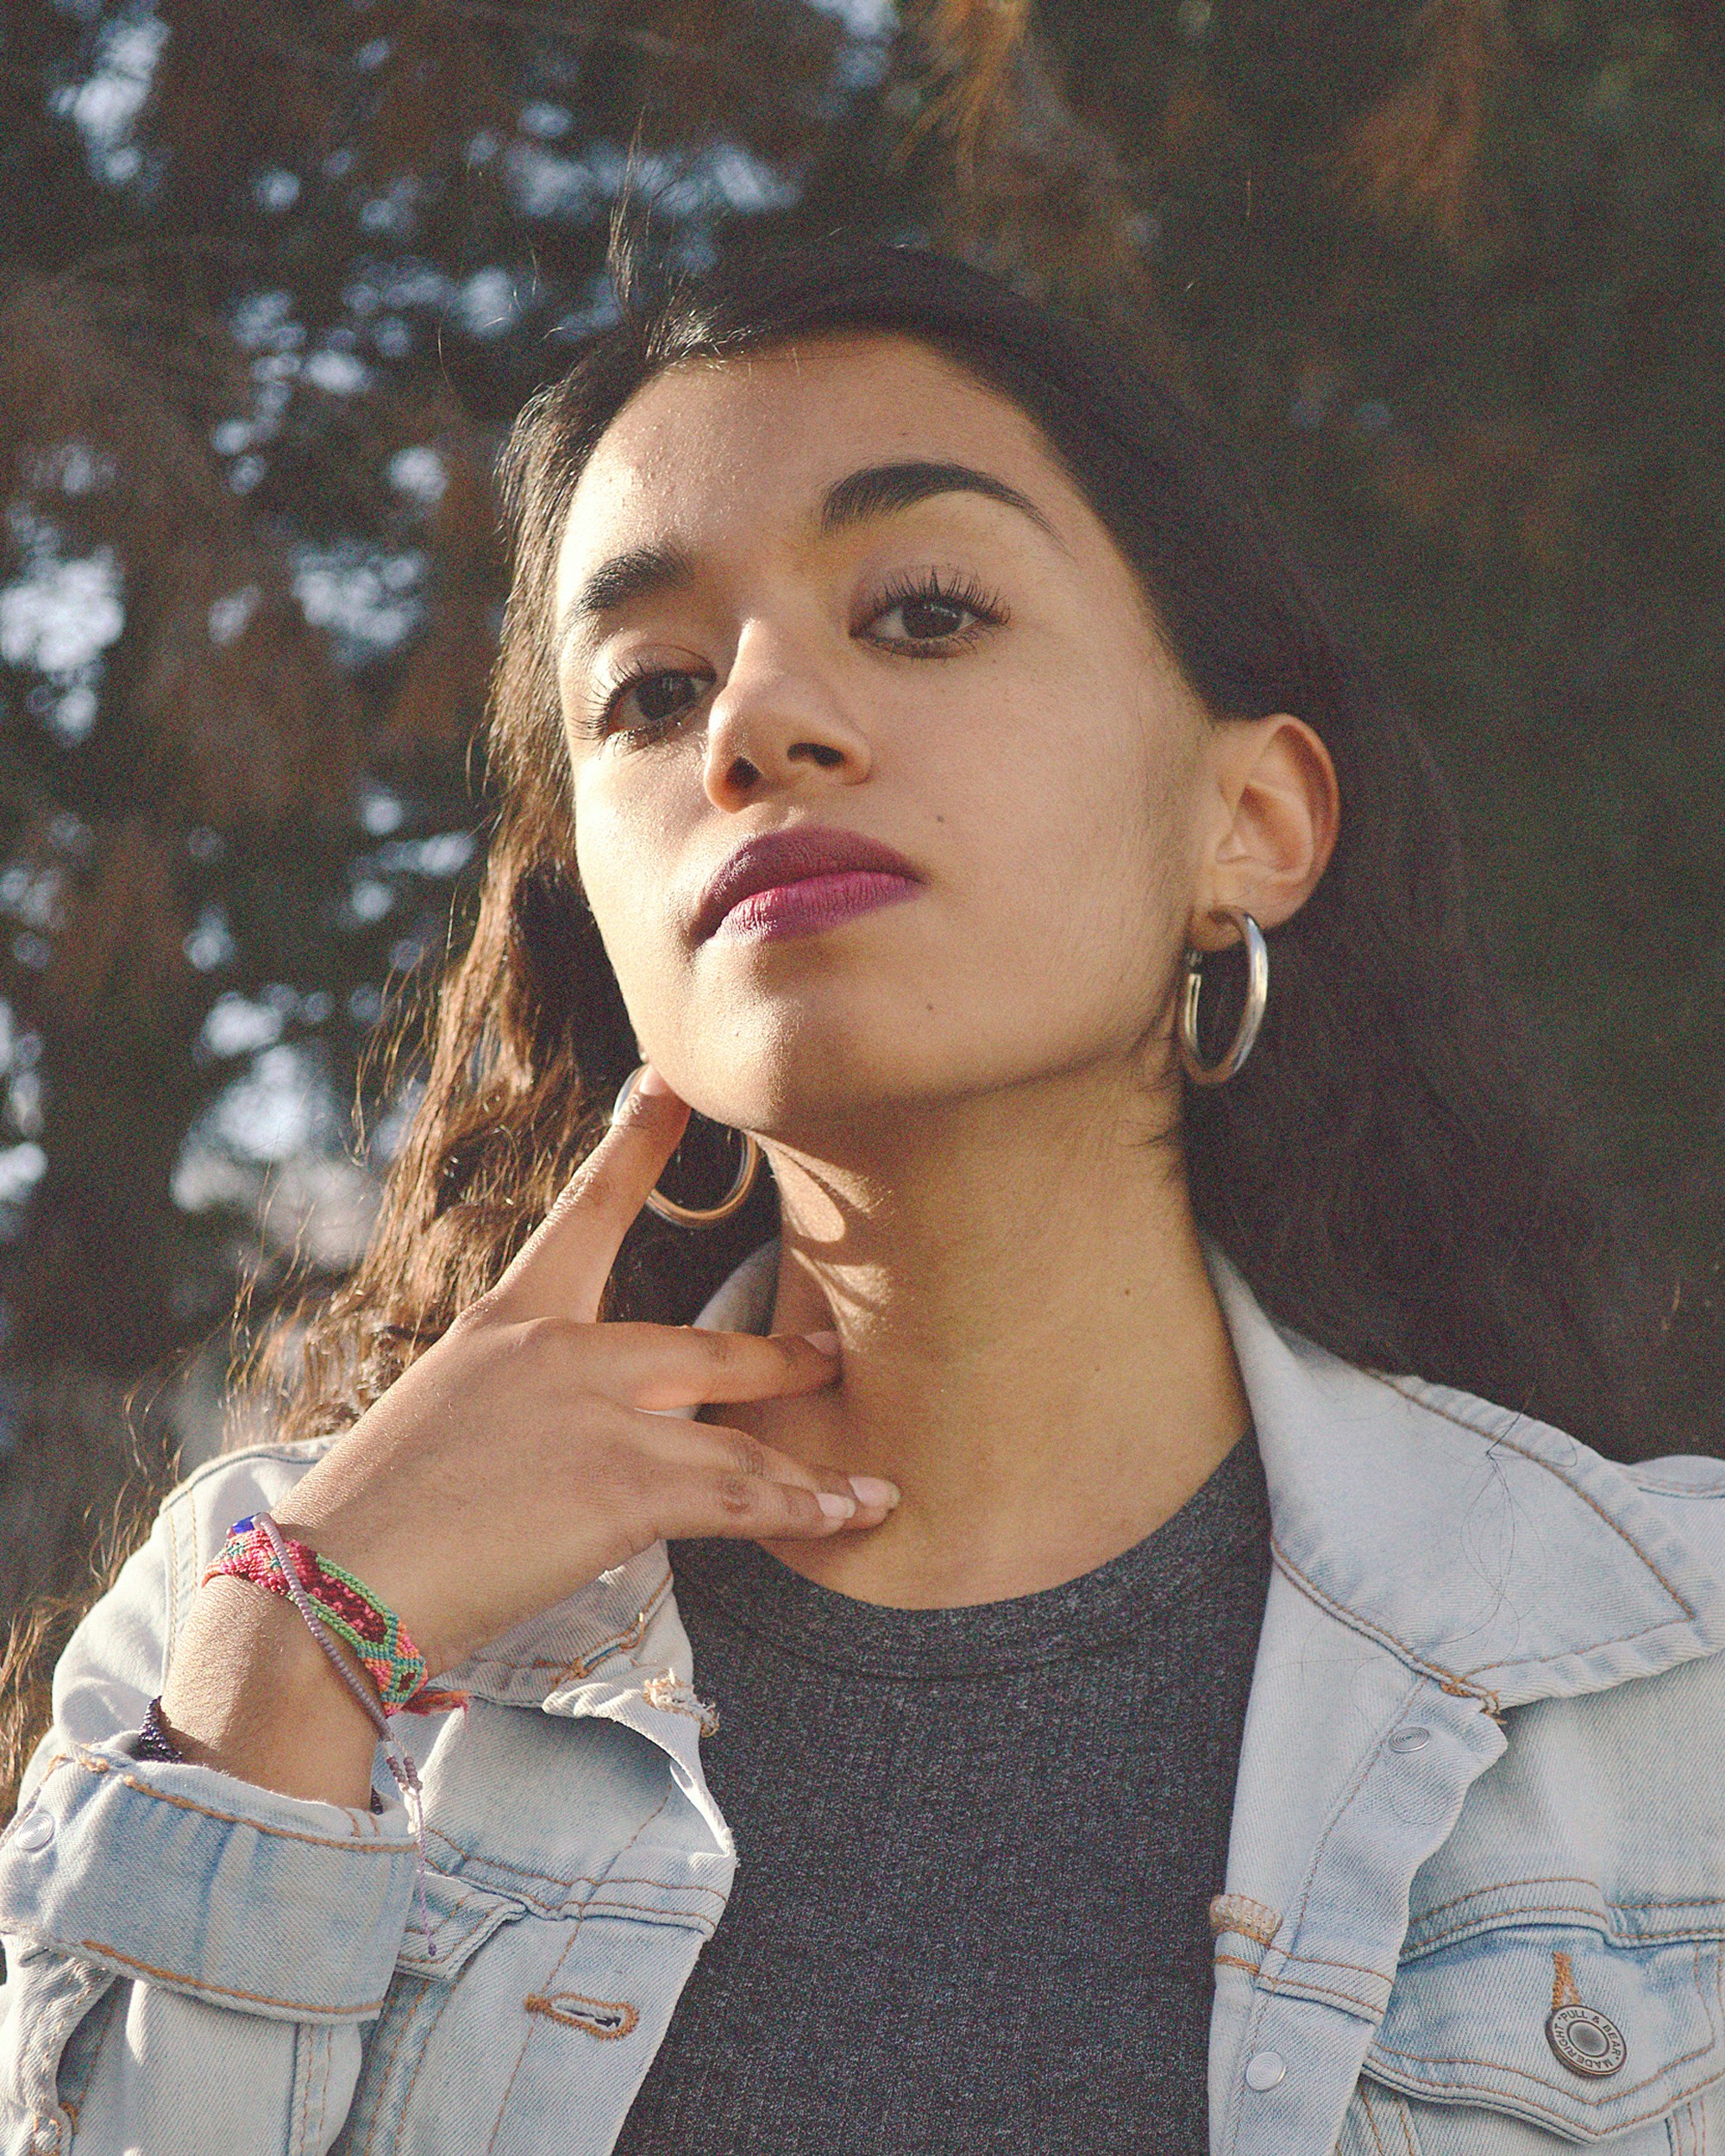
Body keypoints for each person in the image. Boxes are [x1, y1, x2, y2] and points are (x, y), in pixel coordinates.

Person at [2, 240, 1721, 2156]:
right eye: (646, 690)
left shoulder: (1670, 1675)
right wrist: (297, 1660)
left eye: (919, 610)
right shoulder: (257, 1608)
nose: (753, 725)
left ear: (1249, 820)